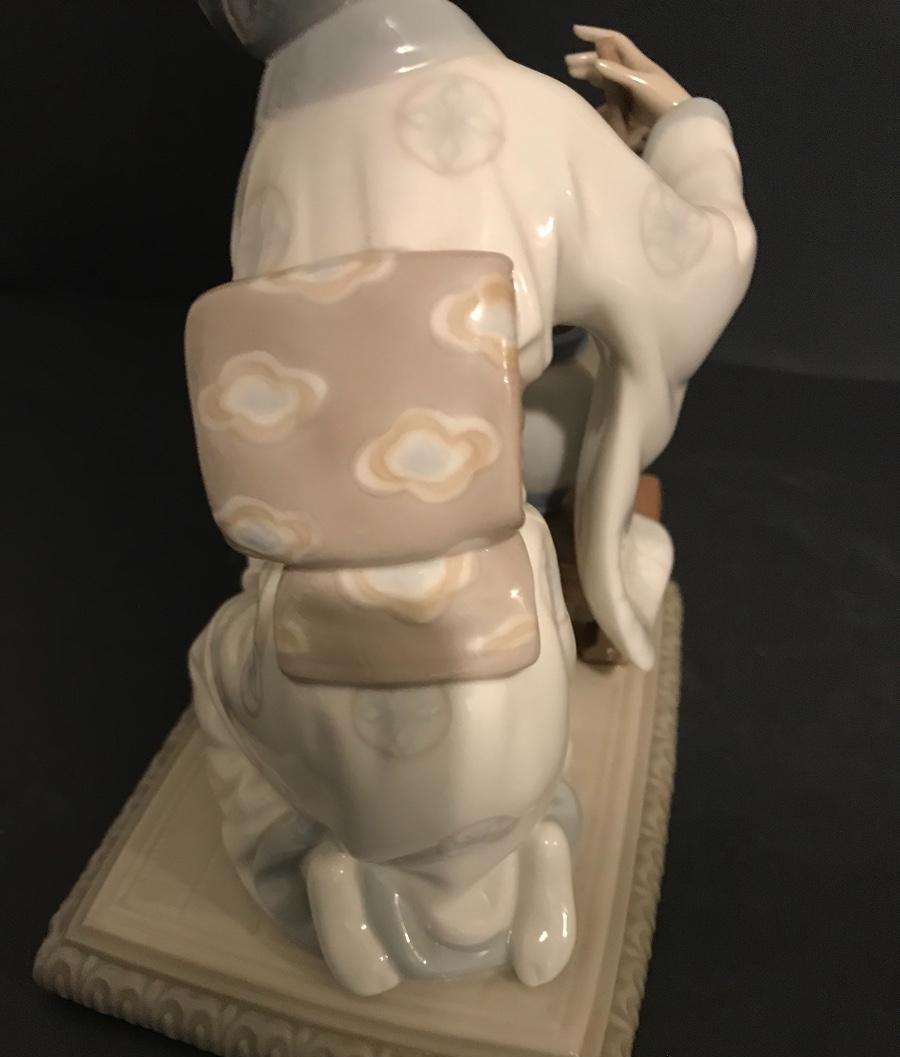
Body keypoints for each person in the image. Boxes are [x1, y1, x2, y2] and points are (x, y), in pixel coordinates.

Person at [206, 0, 755, 669]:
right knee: (589, 394)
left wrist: (598, 160)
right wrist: (689, 127)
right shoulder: (523, 111)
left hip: (307, 539)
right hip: (473, 551)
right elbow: (700, 269)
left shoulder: (276, 148)